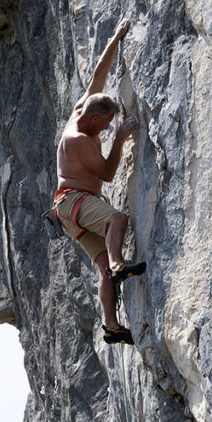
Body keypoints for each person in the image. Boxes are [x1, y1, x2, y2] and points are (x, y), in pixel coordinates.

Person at [54, 17, 146, 345]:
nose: (107, 129)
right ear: (94, 119)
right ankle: (121, 263)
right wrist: (121, 139)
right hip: (75, 202)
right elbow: (107, 174)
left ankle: (111, 326)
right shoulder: (77, 139)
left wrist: (117, 36)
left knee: (102, 266)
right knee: (117, 220)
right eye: (105, 125)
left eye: (111, 126)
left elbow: (98, 74)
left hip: (69, 212)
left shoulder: (84, 107)